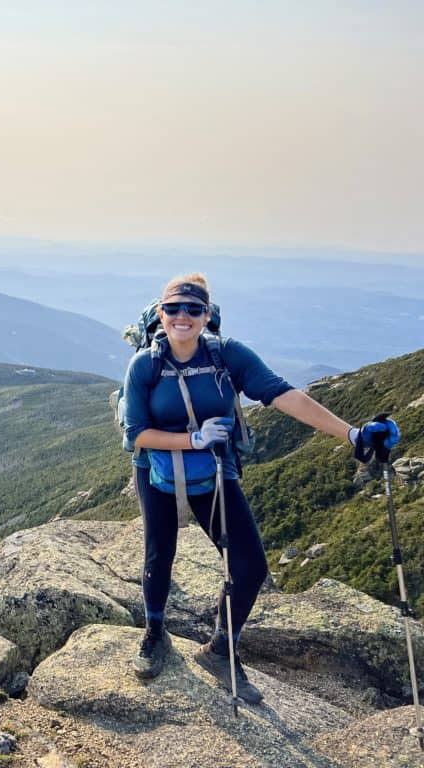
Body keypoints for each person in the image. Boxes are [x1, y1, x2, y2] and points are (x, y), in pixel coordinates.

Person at [122, 273, 400, 704]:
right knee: (160, 554)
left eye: (193, 310)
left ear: (206, 315)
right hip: (155, 464)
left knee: (250, 567)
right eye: (174, 309)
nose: (183, 317)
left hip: (215, 469)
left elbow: (282, 394)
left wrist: (353, 435)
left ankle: (221, 648)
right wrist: (191, 440)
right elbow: (136, 433)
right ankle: (155, 634)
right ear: (161, 314)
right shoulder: (145, 365)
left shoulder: (227, 356)